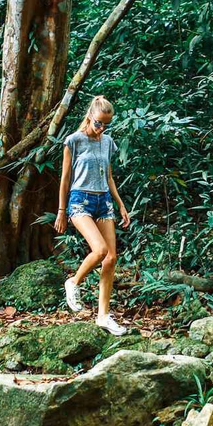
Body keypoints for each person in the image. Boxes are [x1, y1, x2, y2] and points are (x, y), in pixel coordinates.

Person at [55, 95, 132, 336]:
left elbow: (109, 177)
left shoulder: (107, 142)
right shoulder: (74, 141)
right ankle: (74, 282)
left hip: (103, 202)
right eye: (99, 123)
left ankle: (103, 316)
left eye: (106, 124)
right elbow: (65, 178)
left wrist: (120, 205)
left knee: (110, 259)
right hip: (80, 201)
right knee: (99, 251)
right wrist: (61, 210)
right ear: (90, 116)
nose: (101, 128)